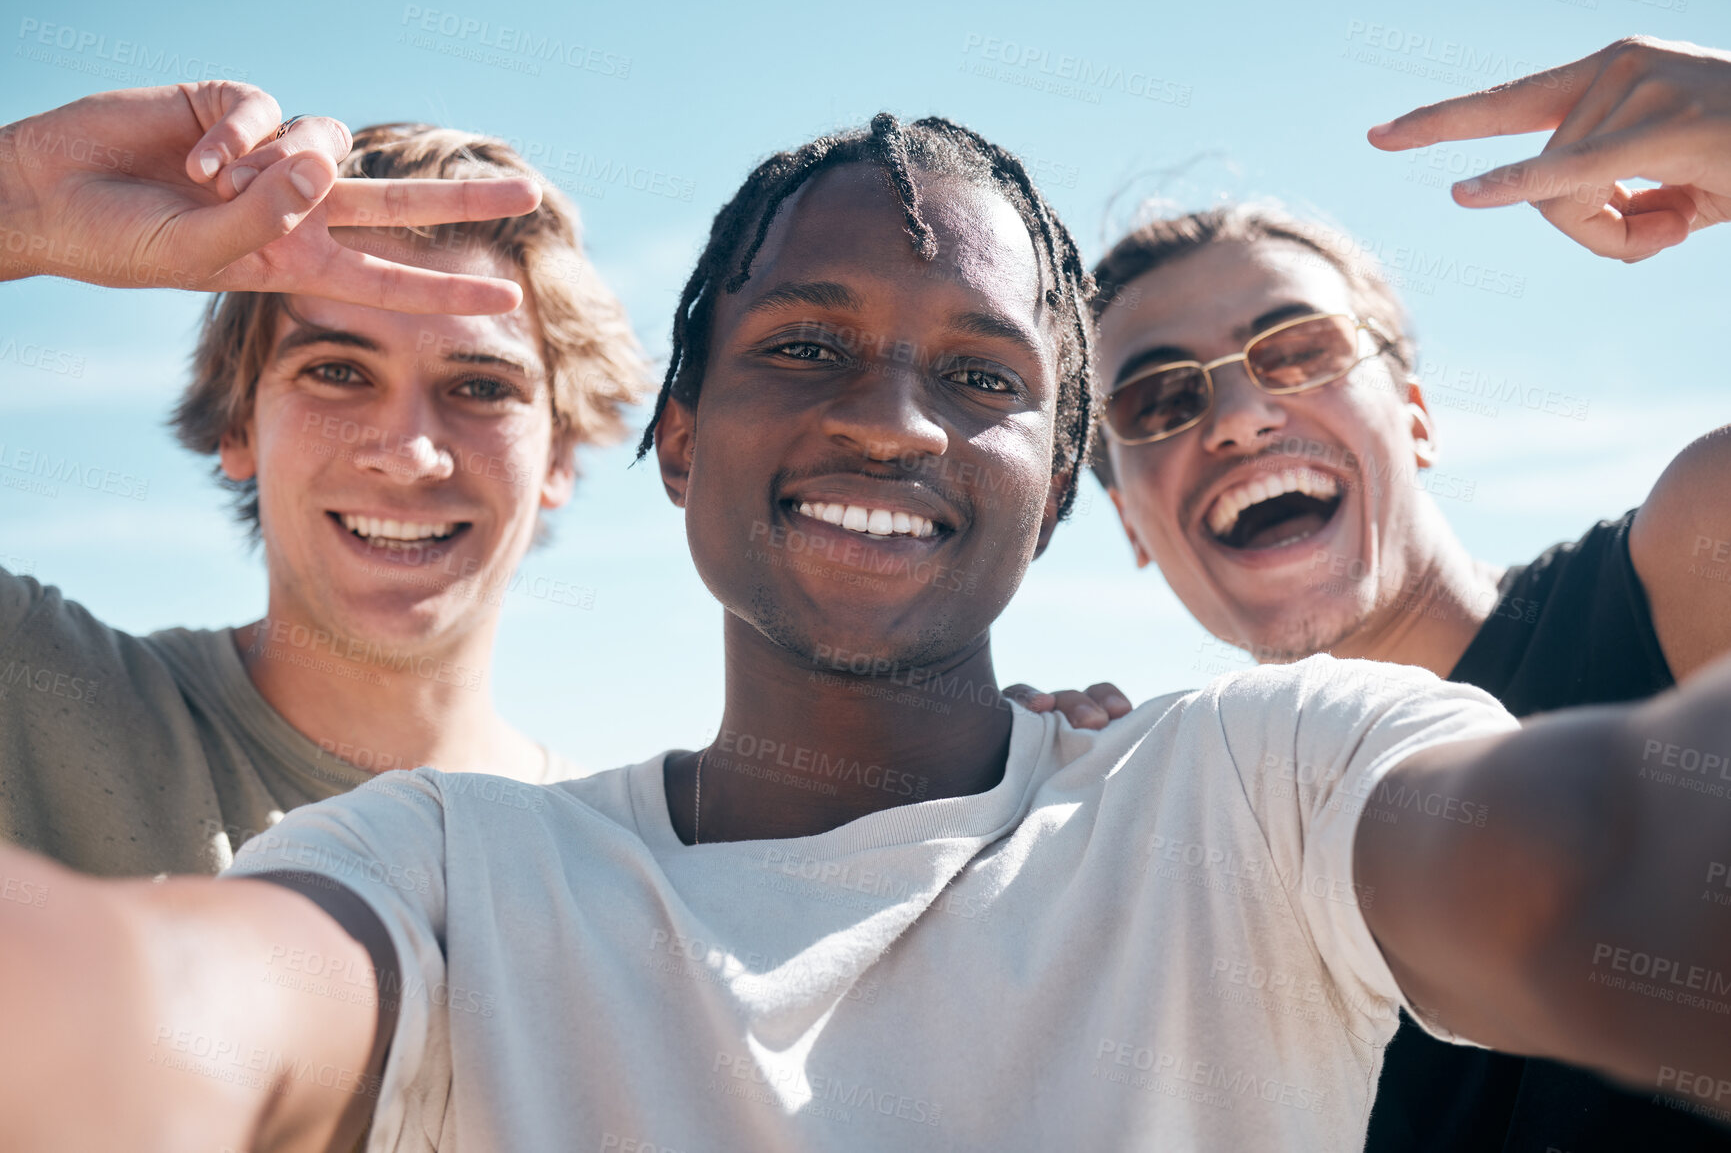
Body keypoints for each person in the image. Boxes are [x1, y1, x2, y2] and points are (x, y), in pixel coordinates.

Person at [3, 107, 1730, 1153]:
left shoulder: (1265, 783)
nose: (893, 421)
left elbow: (1598, 881)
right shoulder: (447, 869)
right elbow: (155, 1018)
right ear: (676, 439)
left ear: (1056, 493)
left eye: (980, 377)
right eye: (803, 348)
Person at [1087, 36, 1731, 1150]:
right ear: (1132, 523)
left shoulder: (1686, 568)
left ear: (1417, 414)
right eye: (1157, 402)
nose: (1239, 417)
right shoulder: (1185, 874)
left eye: (1295, 349)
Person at [0, 81, 645, 877]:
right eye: (337, 371)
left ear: (559, 454)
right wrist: (18, 203)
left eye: (481, 387)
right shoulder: (36, 702)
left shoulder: (624, 871)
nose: (408, 453)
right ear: (238, 424)